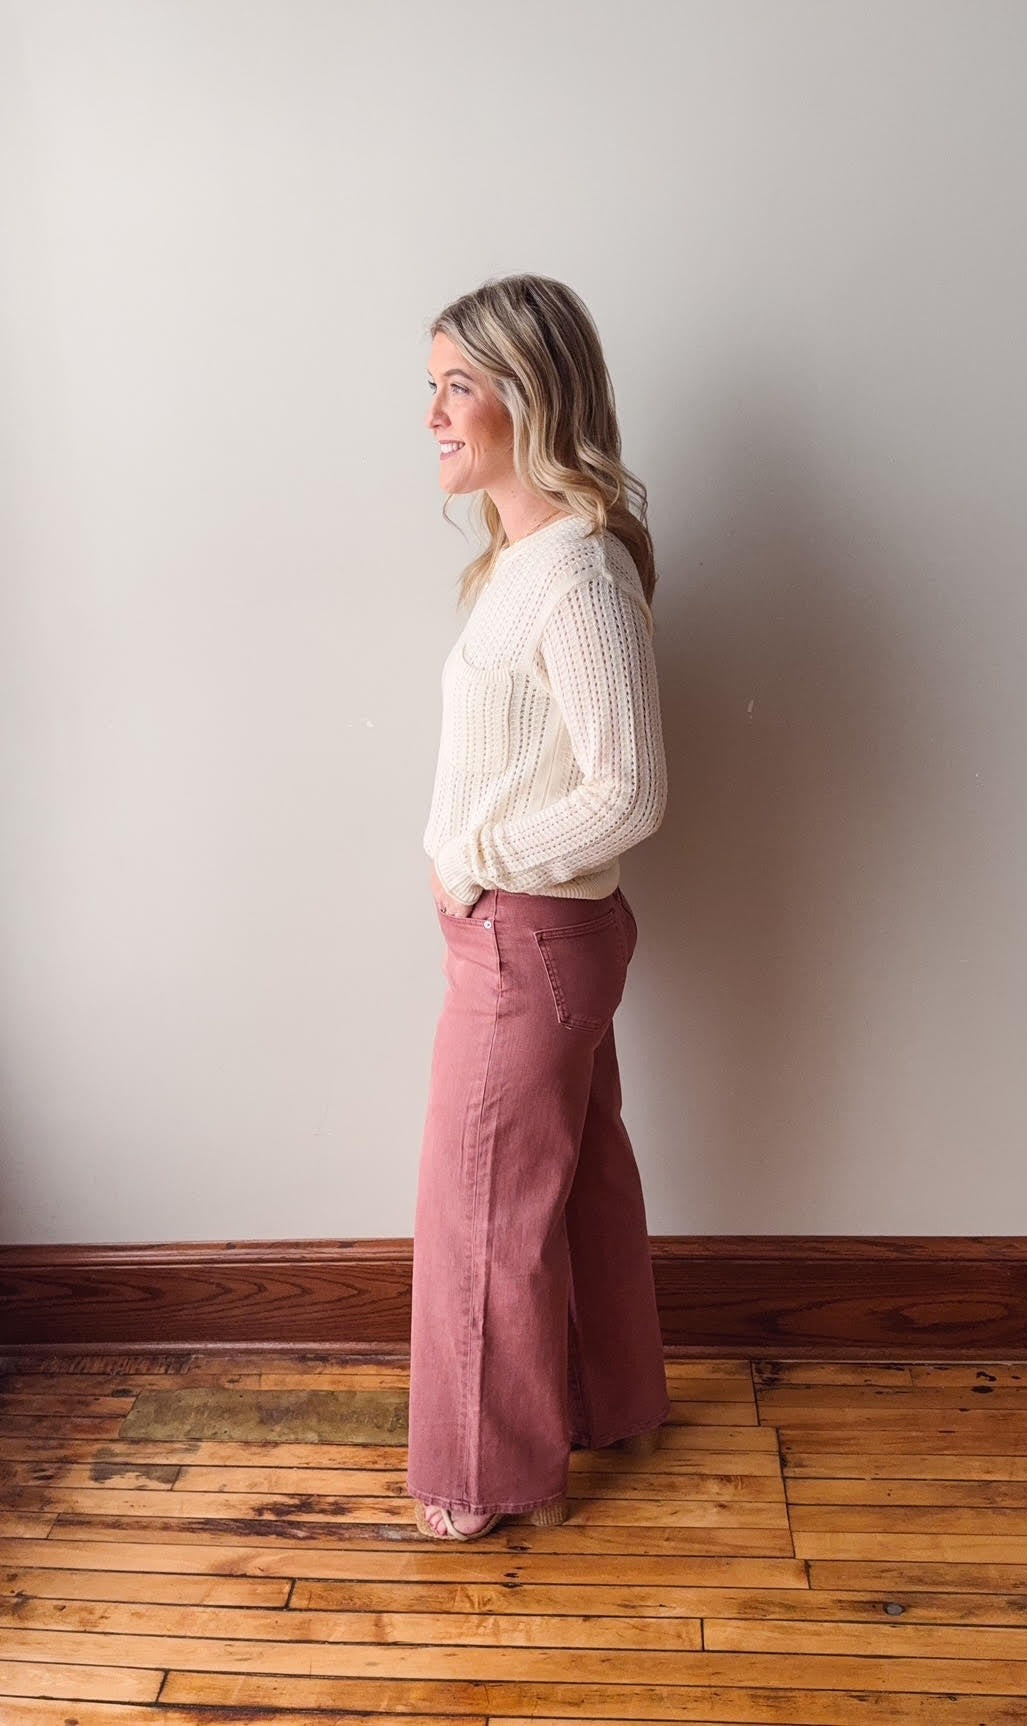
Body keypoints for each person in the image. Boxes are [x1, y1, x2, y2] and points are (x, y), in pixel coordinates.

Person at [408, 274, 670, 1541]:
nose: (434, 416)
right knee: (567, 1184)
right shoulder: (520, 560)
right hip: (532, 938)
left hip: (525, 937)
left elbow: (628, 790)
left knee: (481, 1206)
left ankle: (481, 1480)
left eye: (459, 385)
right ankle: (603, 1401)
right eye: (433, 386)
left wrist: (476, 858)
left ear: (531, 395)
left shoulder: (574, 575)